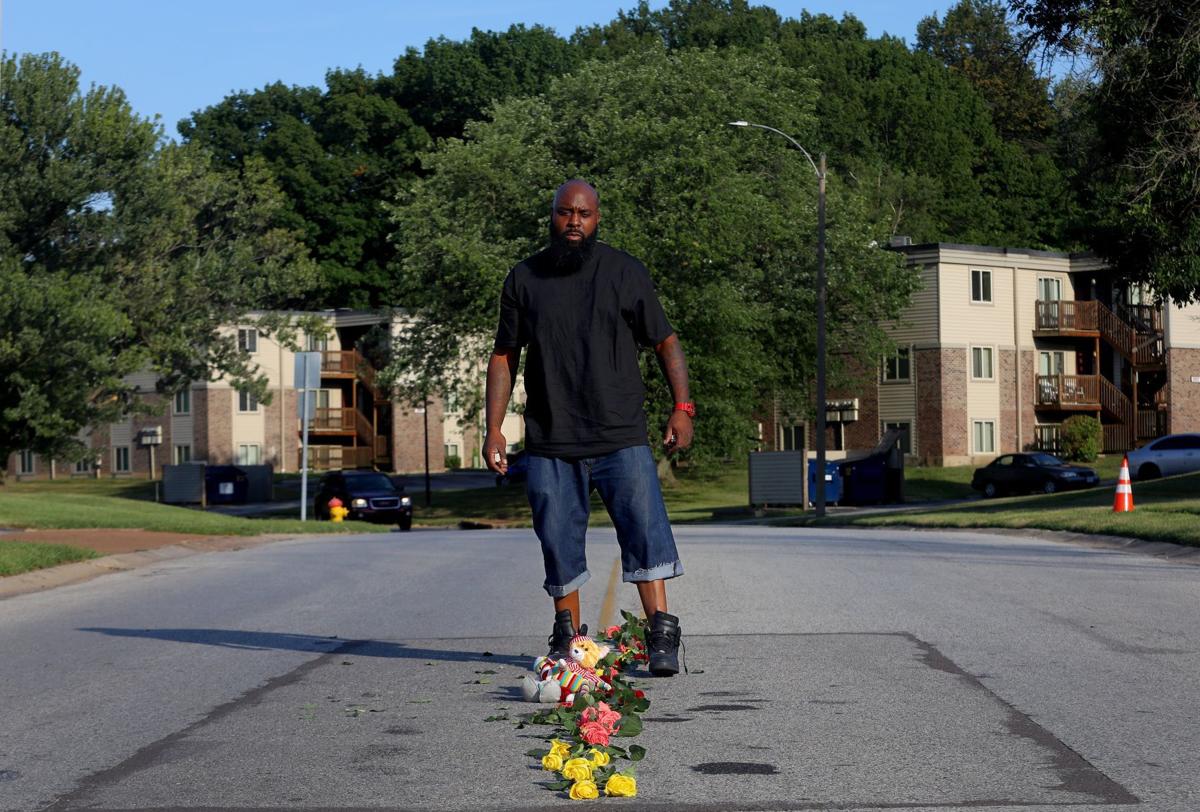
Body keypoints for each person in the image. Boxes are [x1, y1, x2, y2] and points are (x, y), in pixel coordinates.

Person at [483, 179, 694, 677]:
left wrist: (682, 406)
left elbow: (665, 341)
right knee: (557, 538)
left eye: (584, 214)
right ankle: (569, 642)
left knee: (644, 532)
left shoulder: (624, 271)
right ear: (552, 216)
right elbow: (503, 356)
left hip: (620, 434)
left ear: (598, 219)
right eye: (564, 213)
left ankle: (661, 632)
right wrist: (493, 428)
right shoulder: (524, 278)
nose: (574, 221)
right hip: (551, 438)